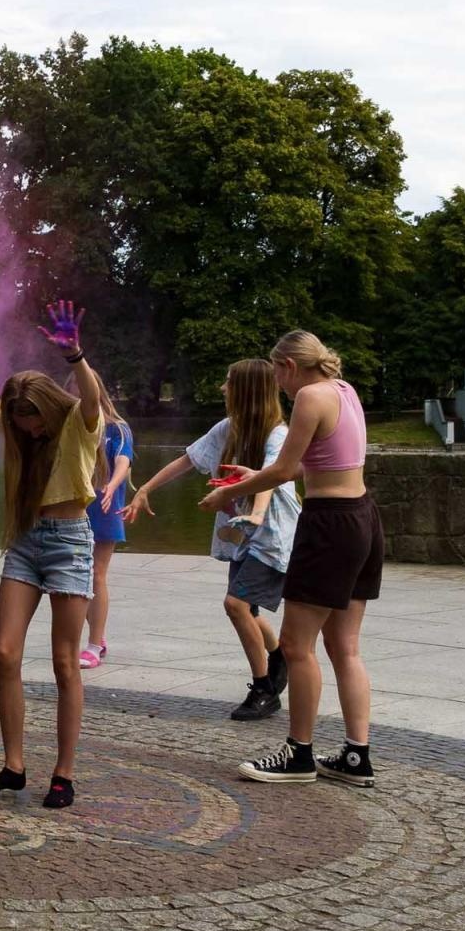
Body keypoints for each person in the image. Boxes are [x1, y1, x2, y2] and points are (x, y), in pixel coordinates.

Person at [0, 296, 106, 810]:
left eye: (32, 420)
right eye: (19, 421)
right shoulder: (11, 420)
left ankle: (64, 773)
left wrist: (75, 356)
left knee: (64, 662)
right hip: (27, 542)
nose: (27, 429)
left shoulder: (76, 422)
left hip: (71, 541)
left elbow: (92, 398)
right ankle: (13, 767)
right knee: (5, 653)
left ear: (48, 409)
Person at [200, 332, 380, 788]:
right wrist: (253, 474)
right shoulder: (343, 391)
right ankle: (357, 756)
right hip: (362, 518)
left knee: (298, 647)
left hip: (329, 526)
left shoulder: (308, 397)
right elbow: (314, 462)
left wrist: (230, 491)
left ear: (286, 365)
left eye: (277, 372)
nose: (278, 383)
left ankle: (298, 753)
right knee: (346, 648)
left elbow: (282, 472)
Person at [124, 359, 297, 720]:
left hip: (270, 536)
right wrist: (145, 489)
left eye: (228, 382)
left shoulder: (277, 436)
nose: (222, 388)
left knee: (236, 605)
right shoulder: (230, 428)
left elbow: (268, 479)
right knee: (246, 608)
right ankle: (280, 654)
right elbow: (187, 460)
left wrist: (256, 514)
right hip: (243, 534)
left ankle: (265, 689)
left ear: (246, 390)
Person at [75, 373, 133, 669]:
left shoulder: (117, 429)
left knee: (96, 574)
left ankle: (95, 643)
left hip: (105, 508)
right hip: (74, 509)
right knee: (79, 576)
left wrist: (111, 485)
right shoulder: (71, 424)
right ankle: (96, 635)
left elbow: (124, 460)